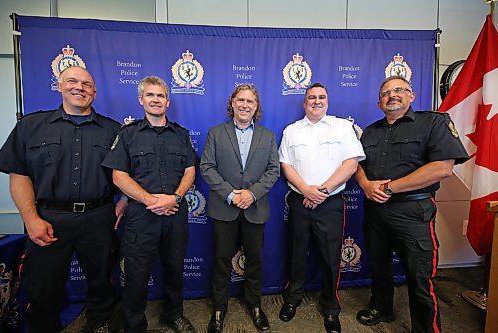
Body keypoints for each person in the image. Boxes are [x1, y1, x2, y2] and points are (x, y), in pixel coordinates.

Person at [0, 66, 122, 333]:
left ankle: (100, 324)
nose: (80, 88)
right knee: (43, 286)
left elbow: (126, 175)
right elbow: (19, 176)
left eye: (87, 84)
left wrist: (123, 202)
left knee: (102, 281)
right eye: (72, 81)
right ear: (59, 86)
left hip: (98, 218)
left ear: (95, 92)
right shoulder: (30, 126)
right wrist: (30, 219)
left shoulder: (113, 131)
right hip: (48, 218)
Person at [355, 76, 469, 333]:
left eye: (398, 90)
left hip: (413, 213)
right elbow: (358, 166)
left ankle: (425, 328)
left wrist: (389, 187)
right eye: (385, 93)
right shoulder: (371, 131)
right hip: (376, 210)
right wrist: (365, 185)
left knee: (420, 276)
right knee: (378, 265)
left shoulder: (434, 122)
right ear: (379, 102)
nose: (391, 96)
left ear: (411, 95)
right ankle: (382, 308)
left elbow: (442, 167)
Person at [101, 76, 197, 333]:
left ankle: (173, 315)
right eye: (150, 95)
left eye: (160, 96)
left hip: (175, 213)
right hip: (141, 217)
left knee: (175, 269)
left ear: (168, 101)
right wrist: (152, 201)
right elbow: (118, 175)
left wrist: (174, 198)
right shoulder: (128, 135)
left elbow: (190, 170)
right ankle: (134, 325)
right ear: (141, 100)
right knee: (136, 275)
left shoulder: (181, 134)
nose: (156, 100)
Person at [278, 82, 365, 333]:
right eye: (311, 98)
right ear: (304, 103)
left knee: (330, 259)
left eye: (321, 97)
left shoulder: (342, 127)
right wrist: (306, 190)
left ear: (327, 101)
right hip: (299, 201)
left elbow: (351, 165)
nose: (317, 101)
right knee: (296, 254)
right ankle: (292, 300)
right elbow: (286, 165)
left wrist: (322, 191)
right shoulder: (291, 131)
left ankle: (330, 308)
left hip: (330, 204)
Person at [200, 84, 279, 333]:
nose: (245, 105)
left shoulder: (267, 136)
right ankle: (219, 308)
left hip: (255, 208)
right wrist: (232, 194)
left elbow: (273, 170)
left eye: (250, 101)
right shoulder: (216, 133)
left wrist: (252, 194)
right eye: (240, 100)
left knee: (254, 260)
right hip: (225, 208)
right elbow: (207, 168)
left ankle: (255, 305)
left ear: (256, 107)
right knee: (222, 260)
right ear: (232, 103)